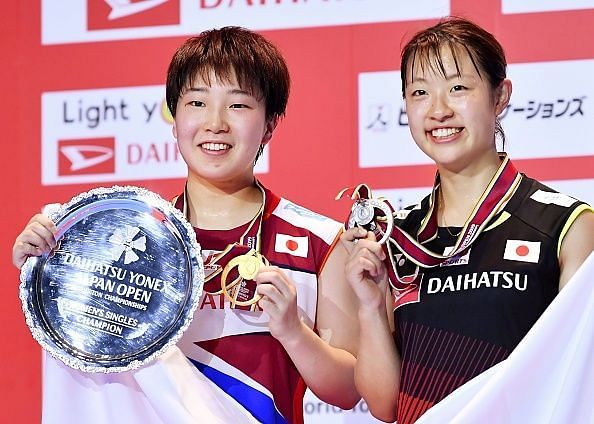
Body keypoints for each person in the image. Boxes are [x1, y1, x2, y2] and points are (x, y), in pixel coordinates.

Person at [13, 27, 360, 424]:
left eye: (239, 106)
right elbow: (81, 348)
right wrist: (47, 266)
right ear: (174, 119)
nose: (215, 123)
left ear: (269, 125)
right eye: (197, 102)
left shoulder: (319, 241)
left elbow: (348, 390)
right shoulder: (126, 239)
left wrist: (293, 332)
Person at [341, 17, 594, 424]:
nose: (439, 110)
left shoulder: (565, 225)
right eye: (419, 92)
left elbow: (580, 378)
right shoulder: (397, 237)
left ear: (500, 95)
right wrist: (370, 307)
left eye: (458, 88)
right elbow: (386, 406)